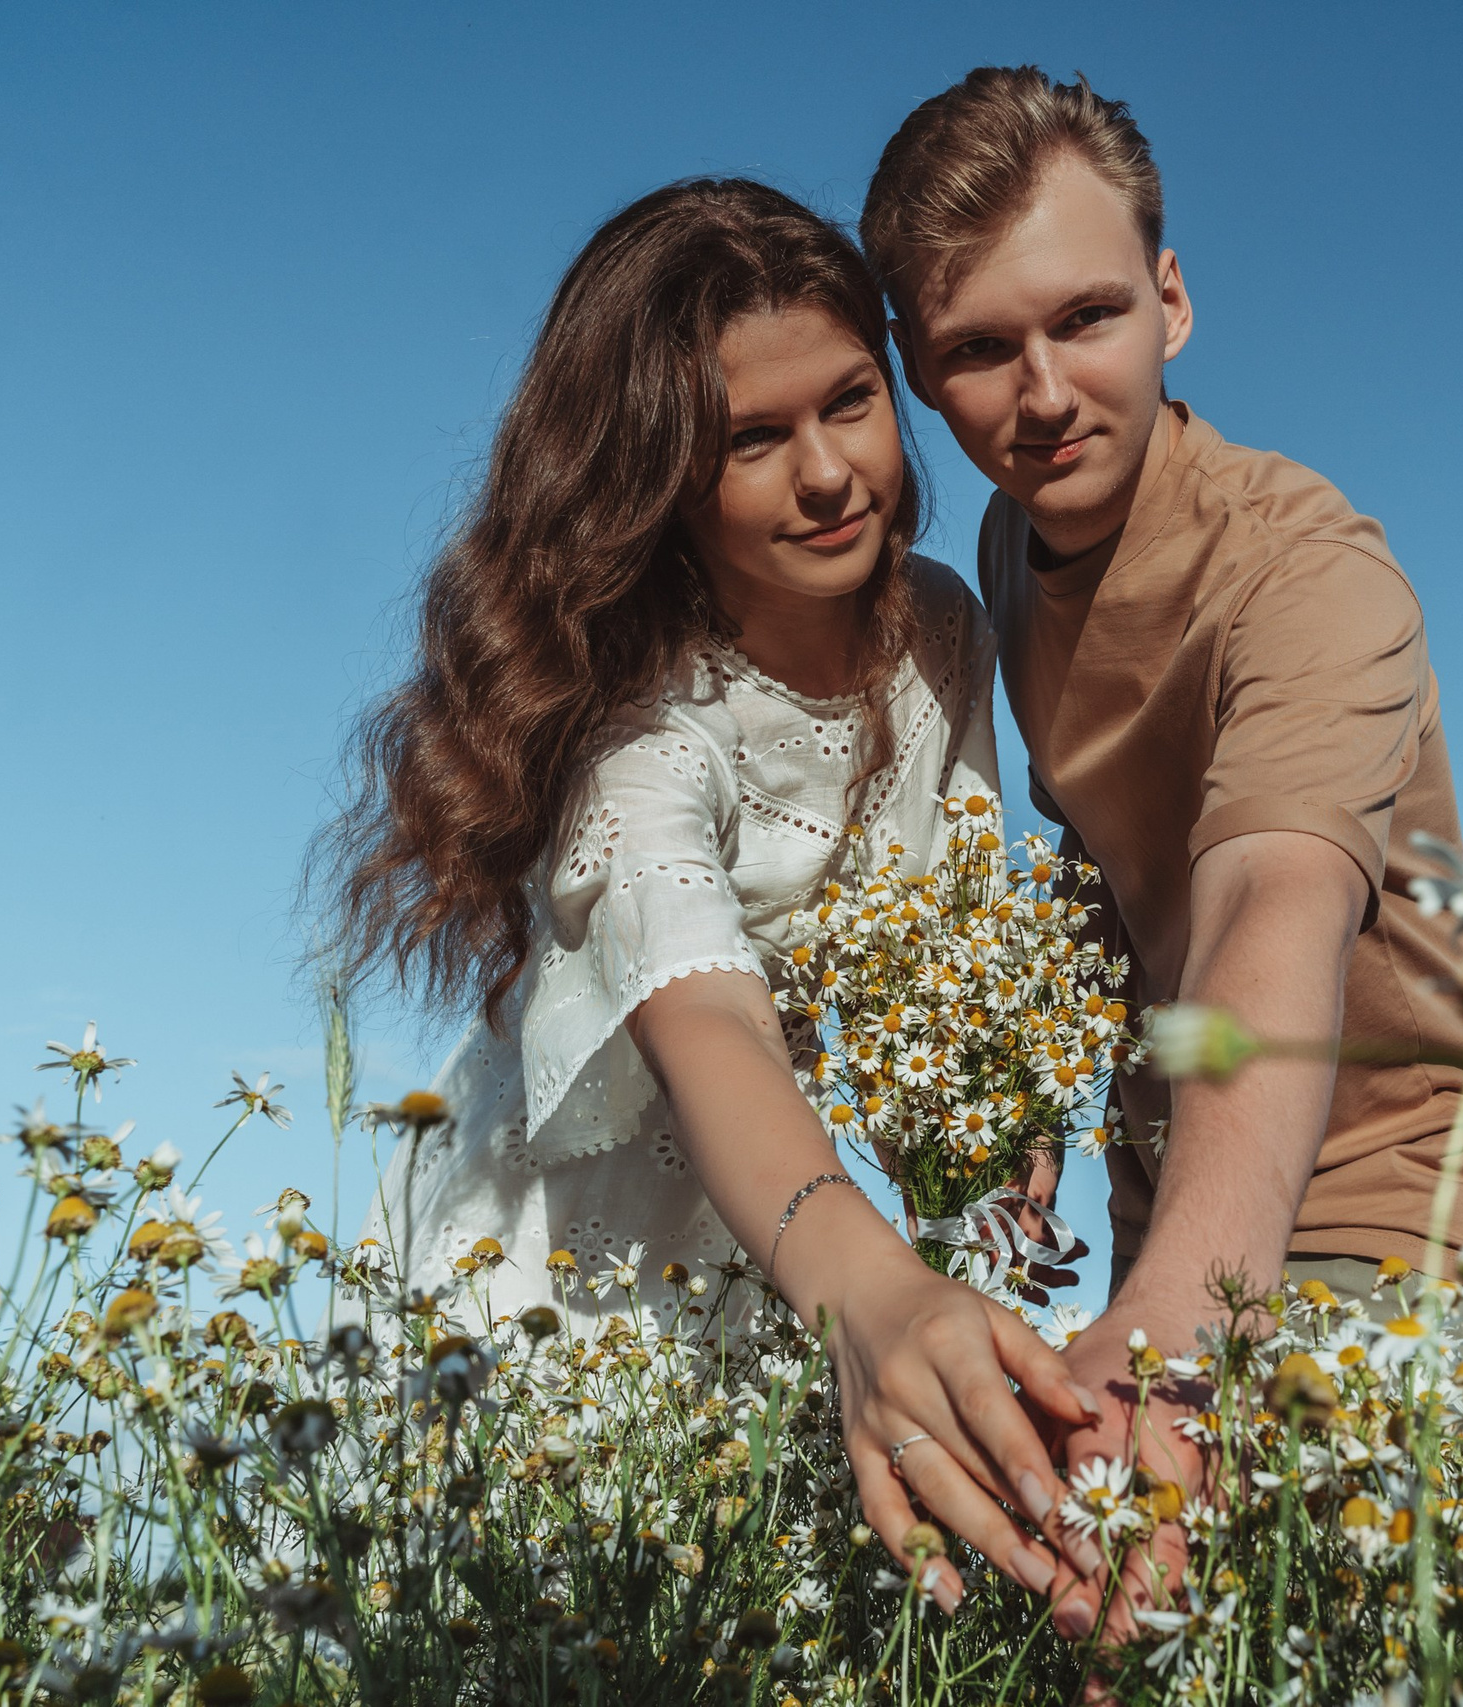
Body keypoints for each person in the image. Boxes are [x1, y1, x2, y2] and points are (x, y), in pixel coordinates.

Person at [324, 178, 1096, 1614]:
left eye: (850, 402)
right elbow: (712, 1029)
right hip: (564, 1274)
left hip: (790, 1245)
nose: (827, 473)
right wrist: (870, 1286)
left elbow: (978, 913)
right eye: (752, 439)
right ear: (655, 476)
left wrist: (1005, 1131)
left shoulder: (942, 627)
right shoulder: (636, 737)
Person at [861, 68, 1463, 1638]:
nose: (1044, 394)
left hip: (1403, 1196)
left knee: (1313, 1644)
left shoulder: (1310, 578)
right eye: (980, 350)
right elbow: (1115, 845)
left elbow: (1270, 909)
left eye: (1089, 318)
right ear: (918, 366)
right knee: (1103, 1635)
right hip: (1180, 1202)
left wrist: (1176, 1328)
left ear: (1172, 302)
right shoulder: (1010, 548)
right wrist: (1031, 1059)